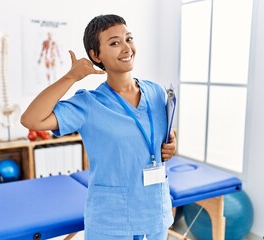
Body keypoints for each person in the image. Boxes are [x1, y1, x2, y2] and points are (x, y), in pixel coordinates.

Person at [21, 14, 176, 240]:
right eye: (114, 43)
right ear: (95, 55)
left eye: (129, 39)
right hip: (111, 221)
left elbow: (163, 138)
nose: (126, 48)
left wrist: (170, 145)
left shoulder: (157, 92)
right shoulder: (88, 104)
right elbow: (31, 119)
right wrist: (71, 77)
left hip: (155, 212)